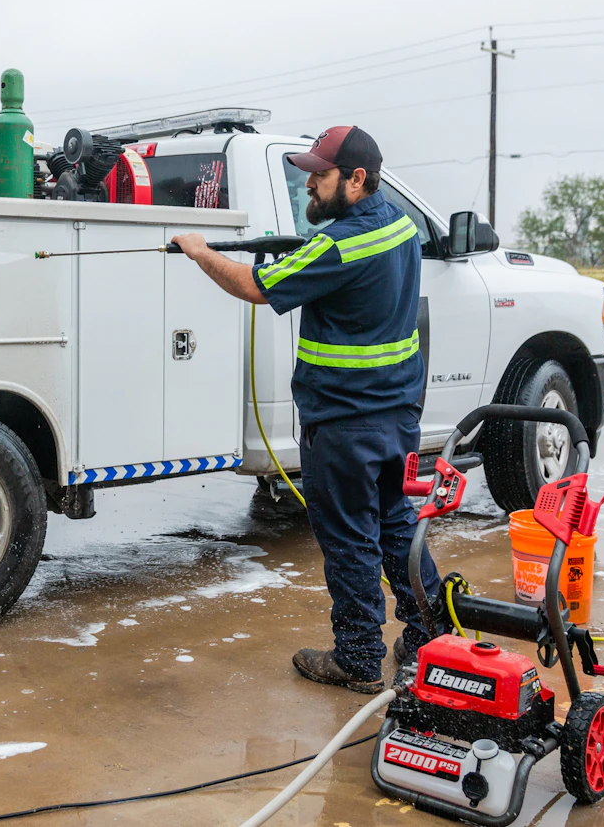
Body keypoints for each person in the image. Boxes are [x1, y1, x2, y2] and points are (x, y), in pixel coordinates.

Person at [171, 125, 441, 693]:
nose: (310, 184)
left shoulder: (338, 244)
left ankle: (360, 659)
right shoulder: (400, 229)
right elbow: (348, 280)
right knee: (396, 528)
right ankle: (427, 640)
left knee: (349, 540)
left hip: (344, 422)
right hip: (397, 416)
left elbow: (252, 286)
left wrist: (199, 251)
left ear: (357, 178)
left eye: (320, 175)